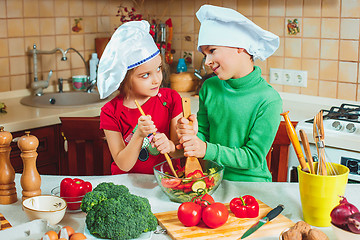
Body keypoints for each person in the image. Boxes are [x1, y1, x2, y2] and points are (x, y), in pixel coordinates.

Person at [176, 5, 283, 182]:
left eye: (212, 51)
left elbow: (253, 157)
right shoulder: (210, 87)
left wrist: (205, 149)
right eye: (205, 55)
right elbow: (204, 136)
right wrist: (193, 134)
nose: (207, 62)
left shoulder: (269, 100)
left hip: (251, 186)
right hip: (212, 181)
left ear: (239, 46)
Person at [97, 20, 183, 175]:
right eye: (145, 75)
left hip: (166, 182)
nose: (157, 79)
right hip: (127, 184)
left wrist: (170, 146)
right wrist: (138, 135)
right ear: (124, 78)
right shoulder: (110, 112)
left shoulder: (171, 99)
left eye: (158, 69)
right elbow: (123, 164)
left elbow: (180, 151)